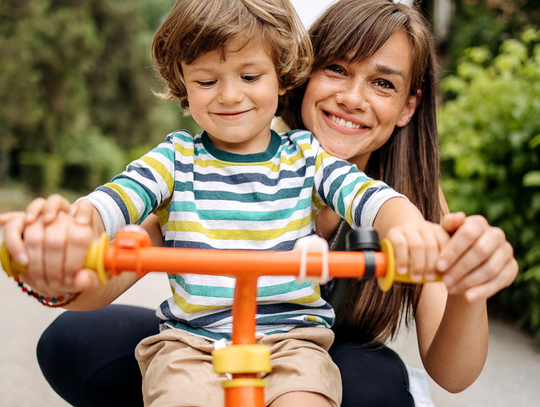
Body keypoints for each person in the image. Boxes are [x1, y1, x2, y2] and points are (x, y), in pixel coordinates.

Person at [0, 0, 518, 406]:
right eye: (337, 69)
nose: (353, 98)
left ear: (408, 106)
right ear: (302, 74)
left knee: (369, 386)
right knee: (83, 342)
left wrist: (447, 265)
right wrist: (61, 247)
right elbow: (111, 221)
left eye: (382, 82)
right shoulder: (198, 163)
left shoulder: (341, 173)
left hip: (300, 343)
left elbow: (452, 368)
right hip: (197, 337)